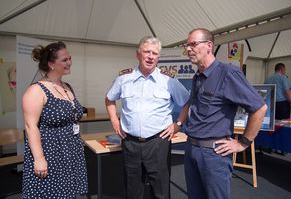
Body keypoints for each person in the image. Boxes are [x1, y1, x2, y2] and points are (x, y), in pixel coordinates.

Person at [183, 28, 267, 199]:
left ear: (209, 46)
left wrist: (243, 142)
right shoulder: (198, 76)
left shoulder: (228, 73)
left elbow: (259, 108)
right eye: (187, 45)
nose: (189, 49)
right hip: (191, 149)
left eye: (193, 44)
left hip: (213, 155)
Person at [105, 36, 190, 199]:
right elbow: (109, 99)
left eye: (155, 53)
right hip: (130, 142)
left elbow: (186, 102)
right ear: (138, 54)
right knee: (132, 188)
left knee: (161, 189)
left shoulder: (169, 81)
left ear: (158, 57)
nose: (151, 56)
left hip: (158, 142)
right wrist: (114, 121)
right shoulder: (124, 79)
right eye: (147, 52)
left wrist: (178, 124)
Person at [22, 41, 88, 198]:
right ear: (51, 64)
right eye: (64, 60)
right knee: (50, 194)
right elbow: (30, 126)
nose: (69, 62)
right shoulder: (36, 90)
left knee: (68, 193)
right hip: (50, 153)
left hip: (70, 151)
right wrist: (39, 158)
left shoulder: (67, 87)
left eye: (70, 58)